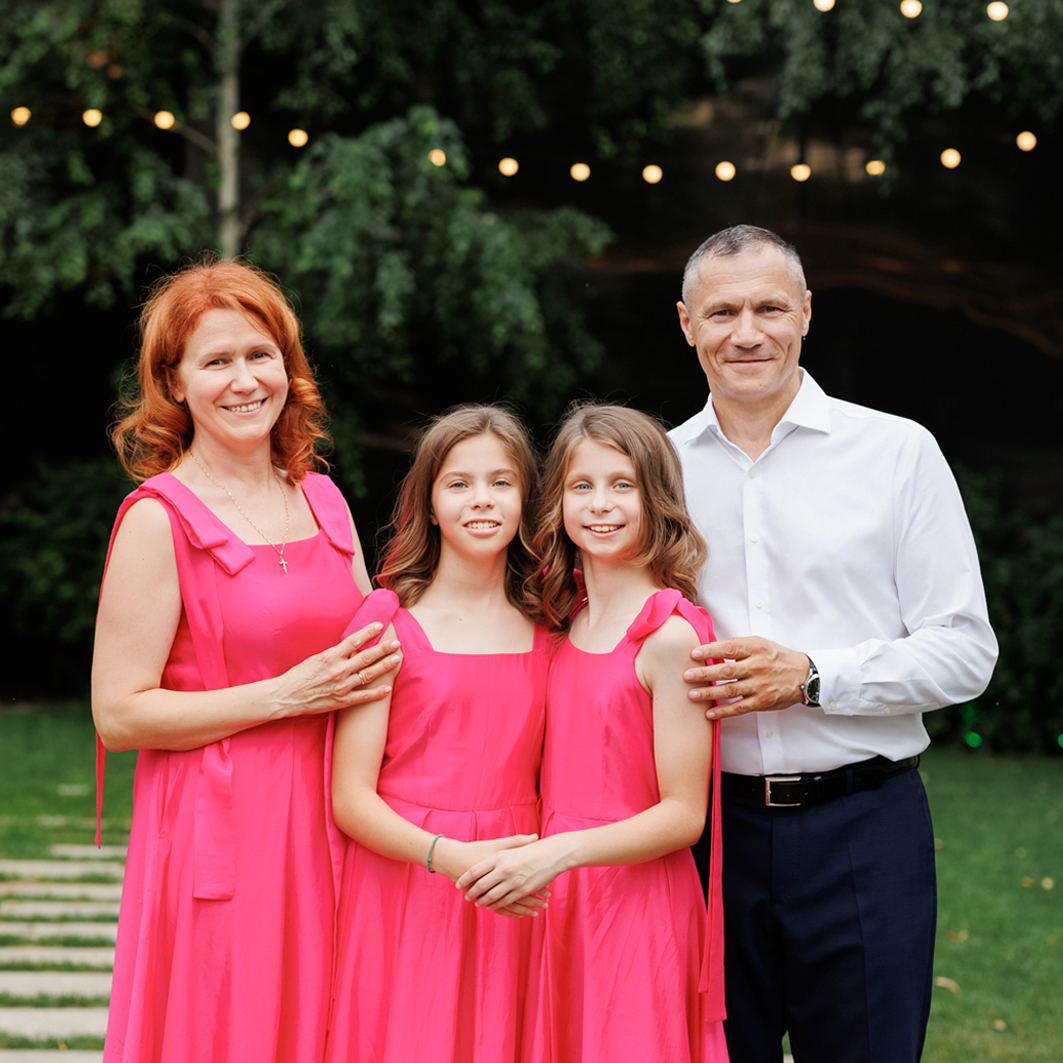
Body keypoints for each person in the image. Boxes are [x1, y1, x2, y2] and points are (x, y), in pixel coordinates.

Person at [670, 225, 998, 1063]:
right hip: (701, 834)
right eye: (723, 312)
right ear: (686, 323)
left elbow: (964, 649)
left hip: (863, 825)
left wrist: (813, 676)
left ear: (806, 312)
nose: (747, 332)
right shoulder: (653, 470)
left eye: (769, 308)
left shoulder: (895, 452)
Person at [92, 260, 399, 1063]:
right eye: (216, 361)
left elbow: (371, 658)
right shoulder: (157, 519)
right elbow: (118, 714)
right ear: (174, 381)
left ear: (287, 367)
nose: (244, 380)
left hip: (338, 810)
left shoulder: (322, 498)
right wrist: (284, 696)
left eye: (260, 355)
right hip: (223, 830)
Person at [458, 404, 729, 1063]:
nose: (600, 504)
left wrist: (559, 854)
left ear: (656, 500)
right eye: (582, 486)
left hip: (633, 904)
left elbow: (684, 814)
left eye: (622, 485)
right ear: (557, 502)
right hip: (553, 895)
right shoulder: (563, 615)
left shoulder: (669, 635)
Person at [324, 405, 551, 1063]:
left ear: (528, 500)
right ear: (427, 501)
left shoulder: (555, 625)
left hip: (517, 873)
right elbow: (350, 796)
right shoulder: (388, 625)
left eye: (501, 482)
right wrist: (448, 856)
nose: (481, 499)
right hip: (409, 875)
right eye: (459, 483)